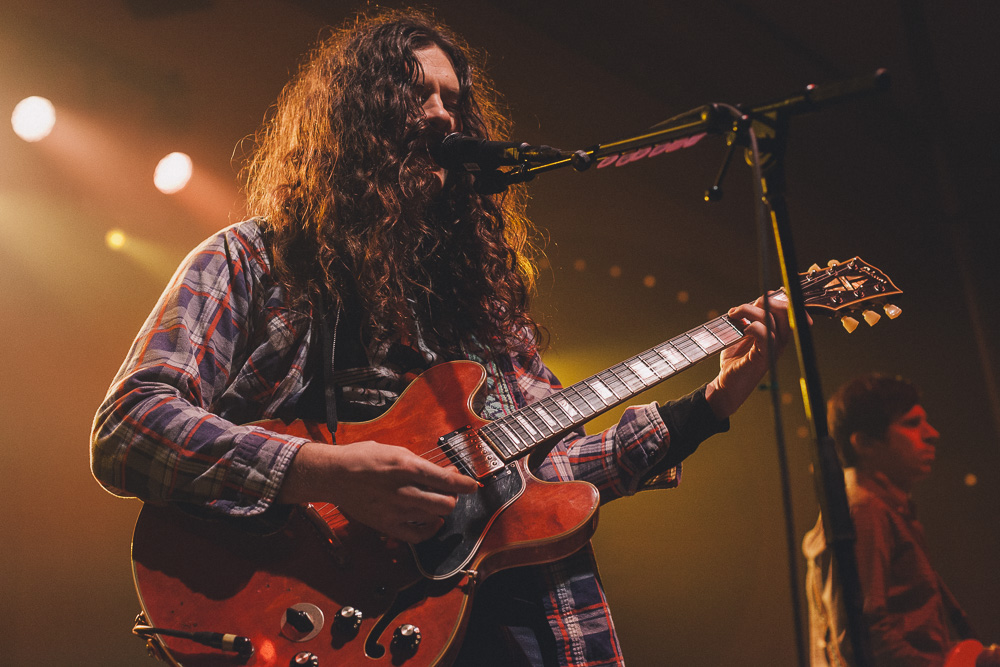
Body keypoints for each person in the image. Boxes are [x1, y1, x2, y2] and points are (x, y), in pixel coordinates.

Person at [91, 8, 791, 666]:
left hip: (506, 623)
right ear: (352, 119)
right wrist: (323, 471)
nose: (440, 115)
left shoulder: (479, 298)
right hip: (305, 610)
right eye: (414, 94)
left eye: (452, 100)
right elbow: (130, 426)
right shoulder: (251, 260)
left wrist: (714, 401)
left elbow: (551, 474)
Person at [802, 374, 999, 667]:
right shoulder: (864, 511)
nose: (932, 433)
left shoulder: (882, 508)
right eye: (912, 423)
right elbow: (865, 641)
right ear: (865, 443)